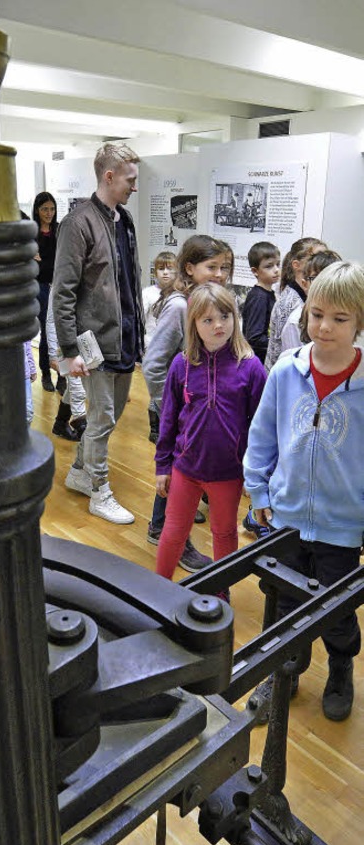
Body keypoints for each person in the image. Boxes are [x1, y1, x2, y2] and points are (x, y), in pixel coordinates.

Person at [244, 262, 364, 723]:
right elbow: (263, 435)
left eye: (339, 318)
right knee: (284, 602)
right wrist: (258, 490)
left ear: (358, 323)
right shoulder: (285, 371)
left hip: (342, 523)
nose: (324, 326)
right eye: (316, 315)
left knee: (336, 607)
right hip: (286, 515)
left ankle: (340, 665)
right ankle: (284, 668)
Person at [53, 143, 144, 524]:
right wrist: (69, 349)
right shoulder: (78, 224)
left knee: (111, 415)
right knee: (103, 417)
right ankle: (99, 490)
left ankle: (78, 471)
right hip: (94, 345)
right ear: (109, 176)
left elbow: (126, 281)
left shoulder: (123, 220)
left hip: (123, 339)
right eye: (130, 179)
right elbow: (63, 291)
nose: (134, 187)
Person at [154, 284, 266, 589]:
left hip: (228, 474)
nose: (219, 325)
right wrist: (162, 466)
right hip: (185, 469)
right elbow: (168, 420)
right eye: (208, 320)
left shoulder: (251, 367)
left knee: (225, 532)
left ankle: (220, 597)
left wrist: (257, 476)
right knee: (174, 531)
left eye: (225, 316)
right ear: (194, 325)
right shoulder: (181, 365)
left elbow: (262, 426)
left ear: (235, 317)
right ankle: (155, 592)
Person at [142, 234, 230, 571]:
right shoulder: (181, 306)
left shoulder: (207, 305)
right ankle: (166, 534)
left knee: (178, 470)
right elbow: (153, 364)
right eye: (212, 267)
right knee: (174, 466)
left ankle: (158, 526)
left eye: (224, 267)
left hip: (196, 414)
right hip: (180, 410)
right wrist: (175, 404)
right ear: (190, 269)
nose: (220, 274)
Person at [265, 237, 326, 370]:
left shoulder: (304, 296)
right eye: (314, 258)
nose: (321, 262)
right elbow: (293, 357)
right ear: (296, 265)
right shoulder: (291, 304)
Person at [142, 251, 177, 441]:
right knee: (155, 389)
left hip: (172, 350)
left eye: (170, 269)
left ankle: (166, 424)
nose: (165, 273)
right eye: (161, 269)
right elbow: (141, 320)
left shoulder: (178, 296)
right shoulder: (148, 294)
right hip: (153, 347)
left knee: (169, 388)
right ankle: (154, 428)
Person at [280, 249, 341, 352]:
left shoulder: (344, 315)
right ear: (304, 285)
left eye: (330, 279)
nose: (323, 285)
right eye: (316, 278)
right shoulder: (295, 322)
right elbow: (297, 363)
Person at [45, 299, 87, 441]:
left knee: (76, 388)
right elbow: (51, 321)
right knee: (78, 390)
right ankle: (85, 441)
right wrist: (52, 353)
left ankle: (60, 424)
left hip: (85, 343)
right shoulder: (60, 281)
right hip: (64, 346)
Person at [32, 192, 61, 393]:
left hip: (59, 286)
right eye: (44, 209)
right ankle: (45, 374)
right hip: (41, 288)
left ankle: (63, 375)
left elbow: (62, 261)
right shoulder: (32, 233)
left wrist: (43, 262)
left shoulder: (59, 231)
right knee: (45, 333)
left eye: (51, 209)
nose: (49, 213)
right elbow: (33, 267)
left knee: (62, 333)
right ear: (37, 210)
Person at [242, 241, 281, 364]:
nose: (276, 270)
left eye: (278, 264)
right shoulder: (259, 297)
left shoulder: (268, 293)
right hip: (259, 360)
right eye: (269, 266)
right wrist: (279, 343)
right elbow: (254, 337)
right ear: (255, 271)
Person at [23, 341, 37, 425]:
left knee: (28, 410)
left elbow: (28, 350)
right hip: (7, 377)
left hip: (24, 375)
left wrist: (32, 369)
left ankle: (25, 434)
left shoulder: (22, 329)